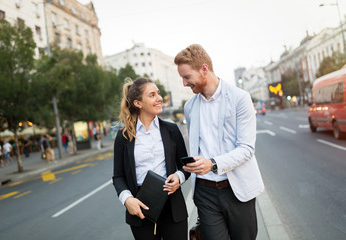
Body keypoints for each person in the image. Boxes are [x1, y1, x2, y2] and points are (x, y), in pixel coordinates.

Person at [174, 44, 265, 240]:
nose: (184, 83)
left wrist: (212, 164)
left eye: (187, 77)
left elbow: (247, 149)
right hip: (205, 192)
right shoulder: (190, 106)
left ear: (204, 69)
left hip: (237, 190)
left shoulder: (240, 98)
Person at [112, 78, 190, 240]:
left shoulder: (171, 130)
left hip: (172, 207)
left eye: (159, 94)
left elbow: (185, 166)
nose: (159, 98)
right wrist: (127, 200)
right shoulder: (124, 136)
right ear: (138, 103)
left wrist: (179, 177)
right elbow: (118, 176)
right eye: (152, 95)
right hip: (140, 208)